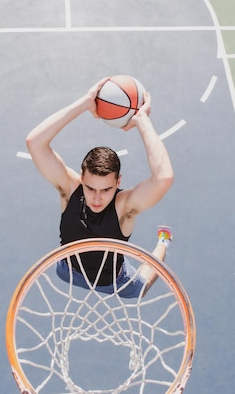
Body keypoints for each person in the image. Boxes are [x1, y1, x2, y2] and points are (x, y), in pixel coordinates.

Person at [26, 78, 174, 298]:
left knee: (141, 288)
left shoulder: (124, 208)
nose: (97, 198)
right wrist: (85, 103)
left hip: (113, 282)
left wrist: (142, 120)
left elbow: (163, 178)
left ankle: (163, 241)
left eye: (106, 190)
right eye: (90, 188)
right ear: (81, 177)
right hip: (68, 271)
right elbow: (34, 142)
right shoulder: (70, 189)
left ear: (118, 183)